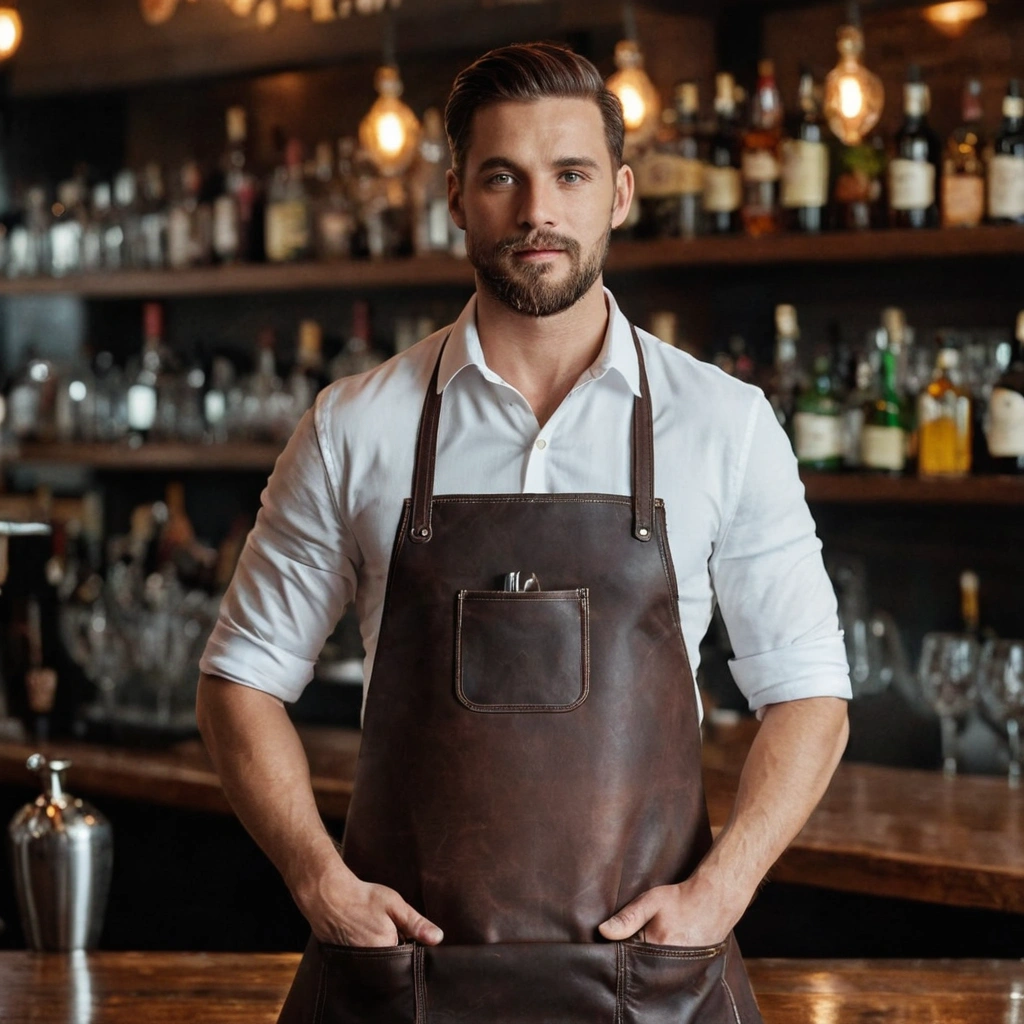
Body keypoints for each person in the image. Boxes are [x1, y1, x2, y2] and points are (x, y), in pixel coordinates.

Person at [196, 42, 851, 1023]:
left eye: (570, 175)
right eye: (502, 176)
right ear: (456, 195)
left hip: (653, 985)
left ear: (619, 194)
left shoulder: (723, 422)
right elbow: (238, 680)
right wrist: (319, 883)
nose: (537, 210)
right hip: (399, 983)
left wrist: (719, 894)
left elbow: (809, 691)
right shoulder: (355, 423)